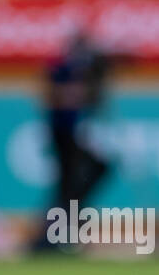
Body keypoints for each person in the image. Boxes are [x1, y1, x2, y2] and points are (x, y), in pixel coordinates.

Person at [30, 30, 111, 254]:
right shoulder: (61, 68)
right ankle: (53, 235)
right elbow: (52, 95)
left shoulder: (84, 71)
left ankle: (62, 228)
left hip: (77, 134)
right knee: (67, 186)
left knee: (81, 180)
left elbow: (92, 98)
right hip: (63, 134)